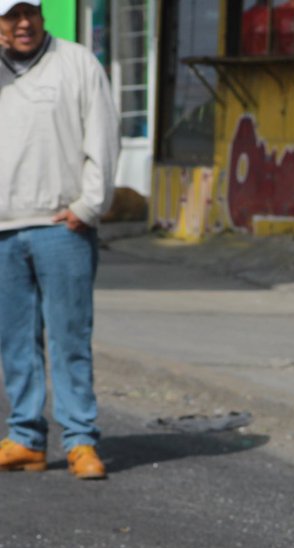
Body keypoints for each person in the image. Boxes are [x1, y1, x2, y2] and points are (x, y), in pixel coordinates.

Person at [0, 0, 118, 479]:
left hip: (62, 226)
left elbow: (103, 137)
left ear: (42, 14)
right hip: (4, 228)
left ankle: (80, 440)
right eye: (10, 16)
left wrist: (89, 206)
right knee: (15, 342)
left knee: (70, 339)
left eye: (29, 12)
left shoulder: (76, 63)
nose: (22, 23)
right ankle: (26, 438)